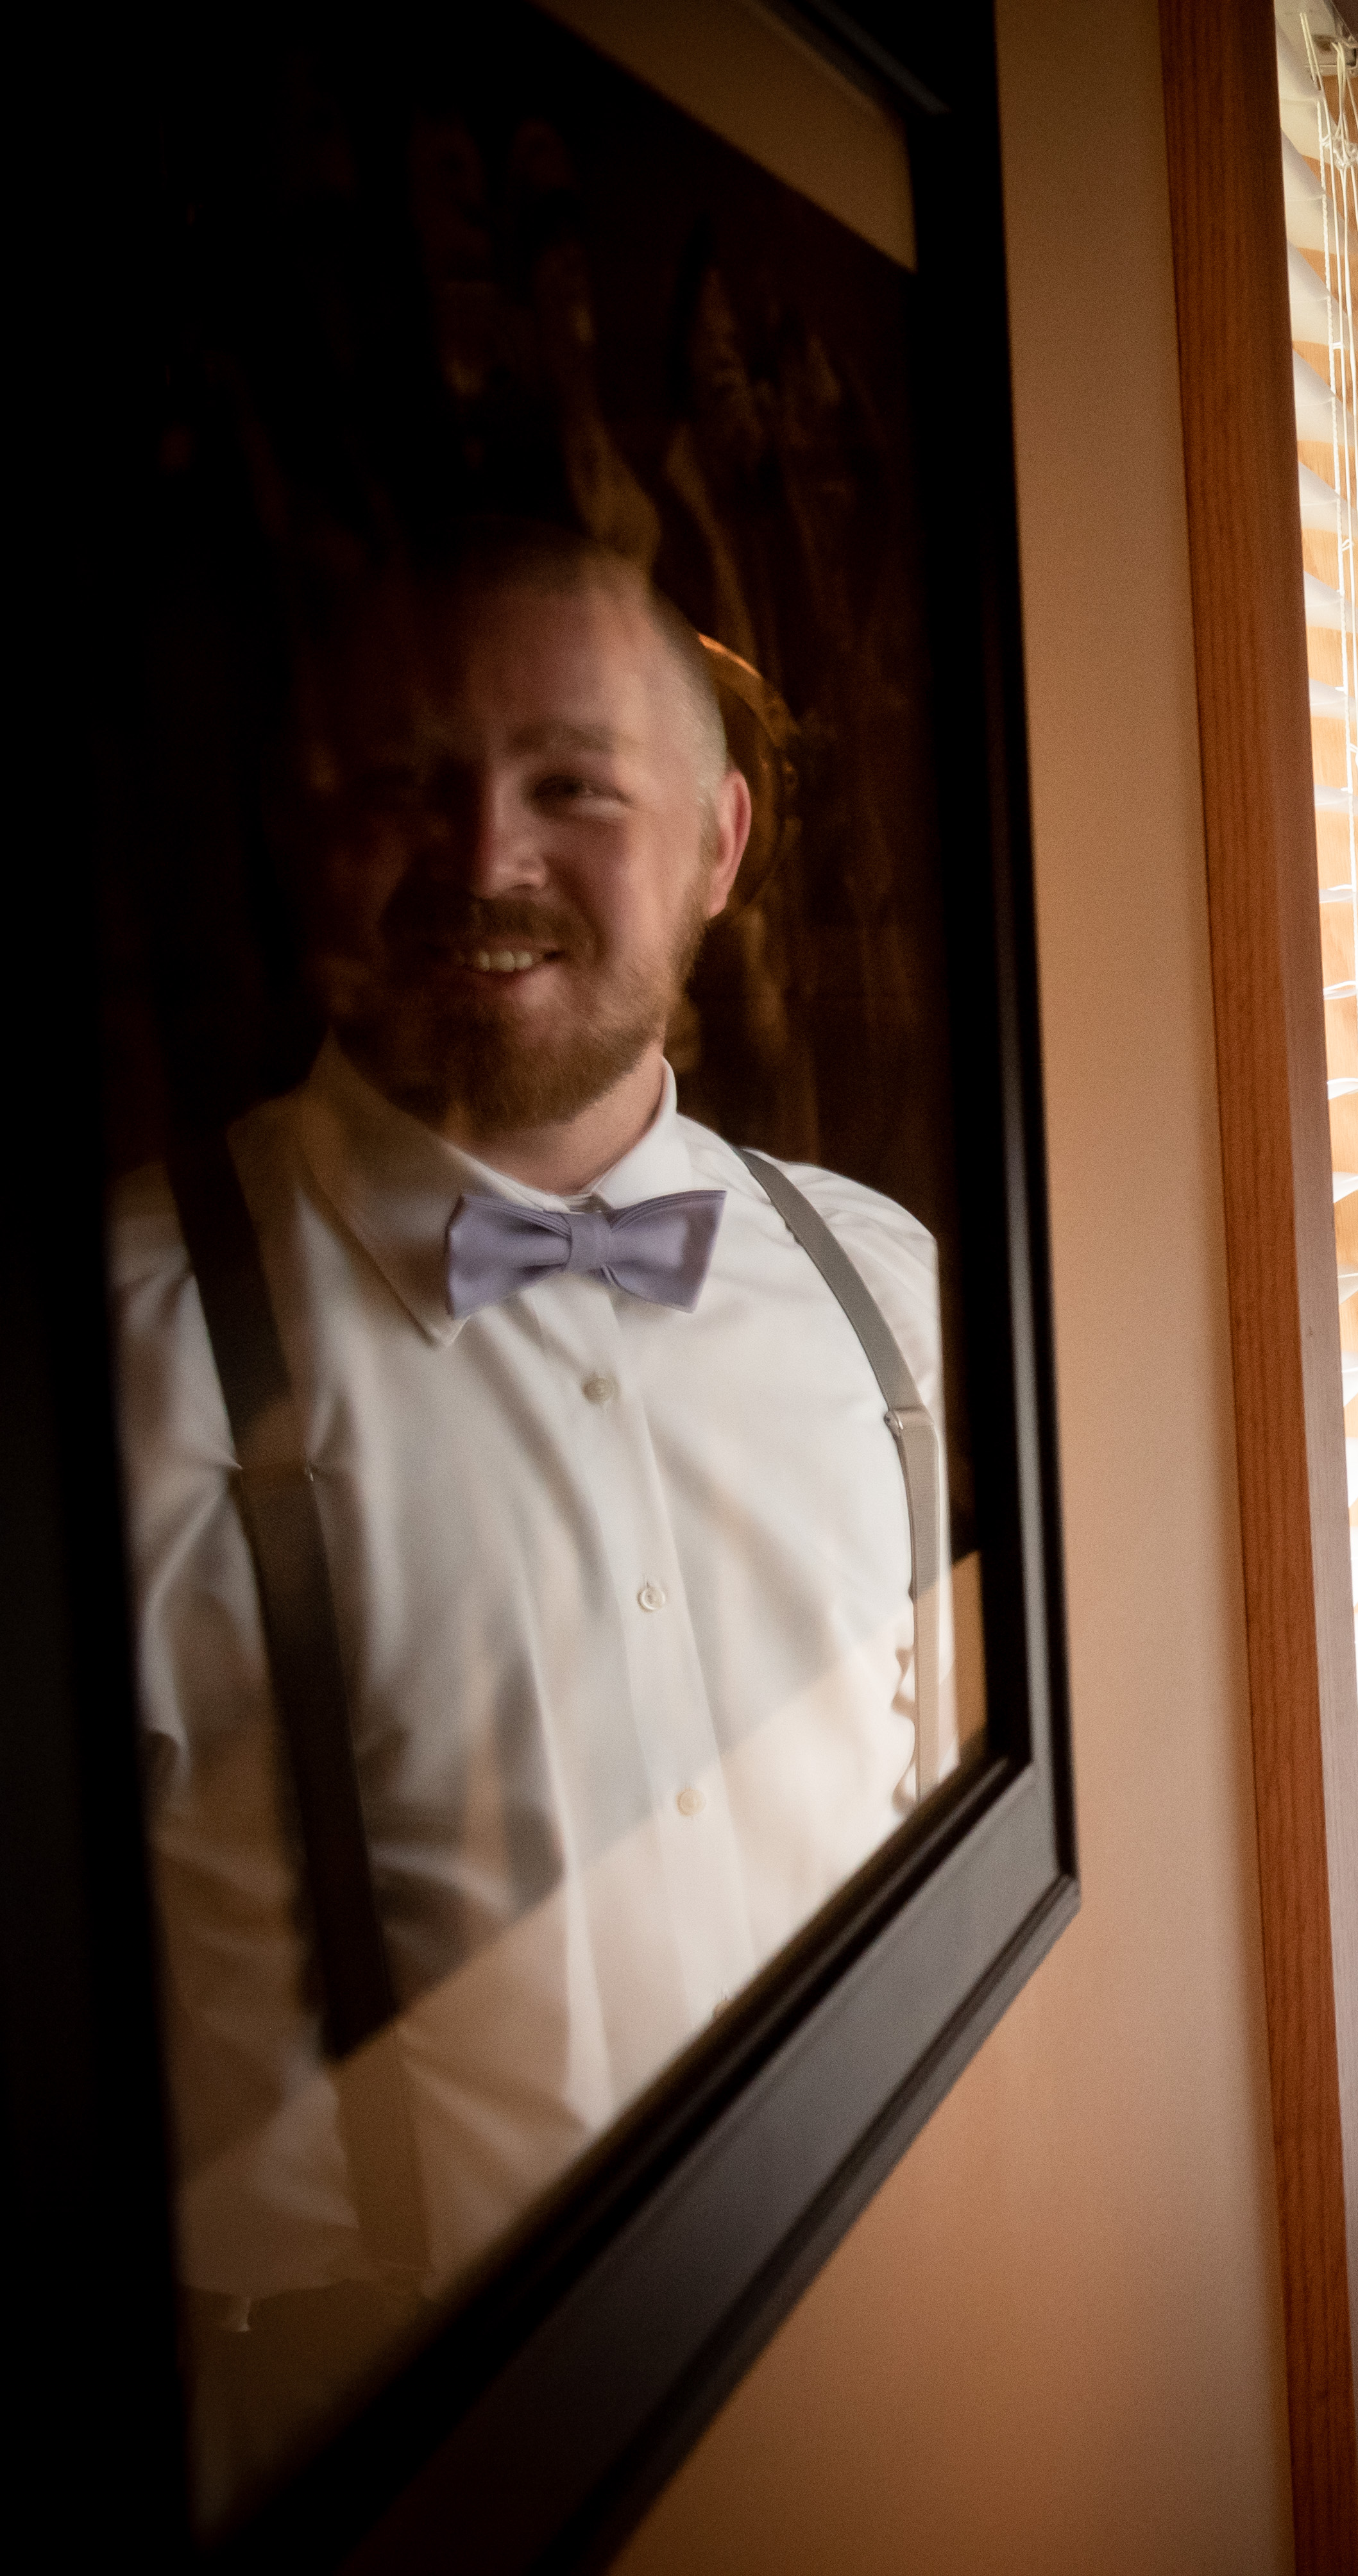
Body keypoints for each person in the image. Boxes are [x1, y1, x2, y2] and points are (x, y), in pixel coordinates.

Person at [114, 521, 949, 2518]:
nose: (485, 859)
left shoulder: (888, 1291)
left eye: (573, 784)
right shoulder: (114, 1364)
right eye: (411, 784)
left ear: (721, 847)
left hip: (886, 2416)